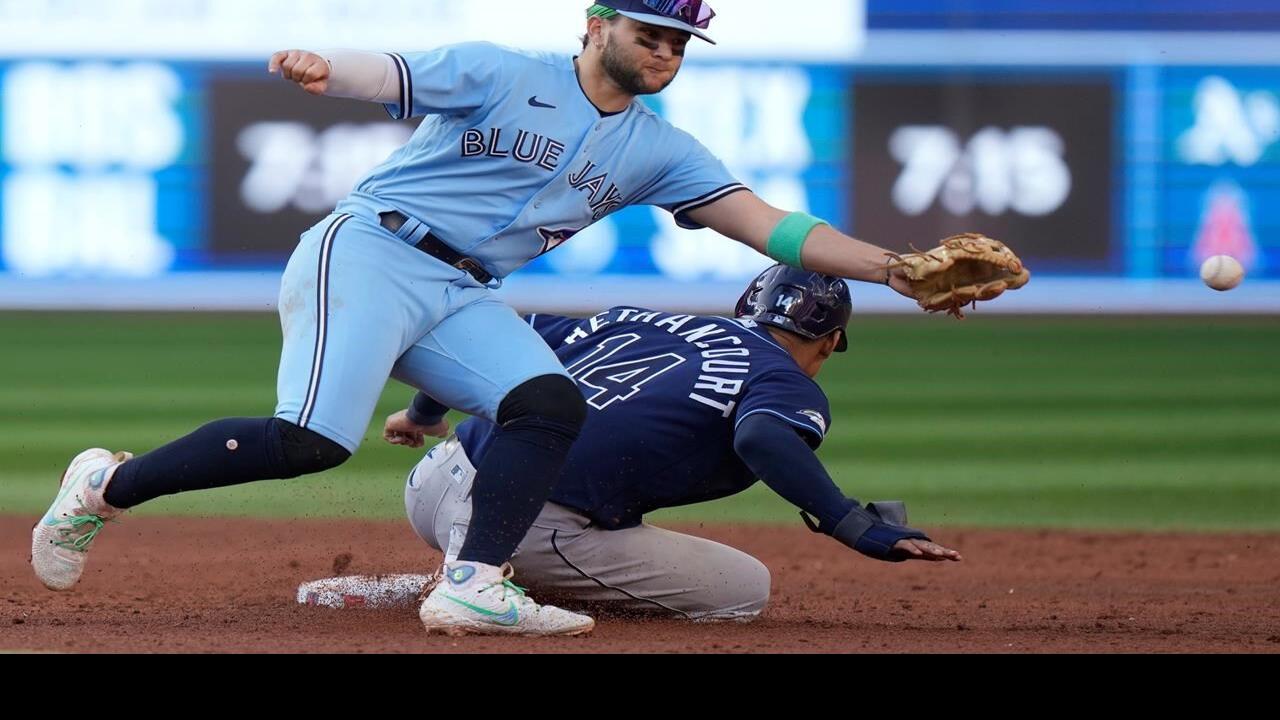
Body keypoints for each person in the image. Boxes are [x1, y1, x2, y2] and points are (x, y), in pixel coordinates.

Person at [33, 1, 924, 637]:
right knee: (312, 443)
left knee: (548, 401)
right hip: (374, 250)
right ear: (595, 22)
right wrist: (326, 70)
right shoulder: (506, 70)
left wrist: (896, 268)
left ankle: (472, 585)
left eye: (679, 40)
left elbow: (773, 227)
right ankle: (107, 486)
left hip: (463, 290)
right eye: (649, 31)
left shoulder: (659, 151)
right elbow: (396, 76)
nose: (663, 50)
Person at [393, 265, 961, 626]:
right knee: (743, 589)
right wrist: (851, 523)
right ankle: (481, 583)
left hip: (433, 482)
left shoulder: (643, 319)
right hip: (530, 526)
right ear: (831, 341)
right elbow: (762, 435)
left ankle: (463, 567)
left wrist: (422, 413)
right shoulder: (782, 377)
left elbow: (496, 336)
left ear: (748, 308)